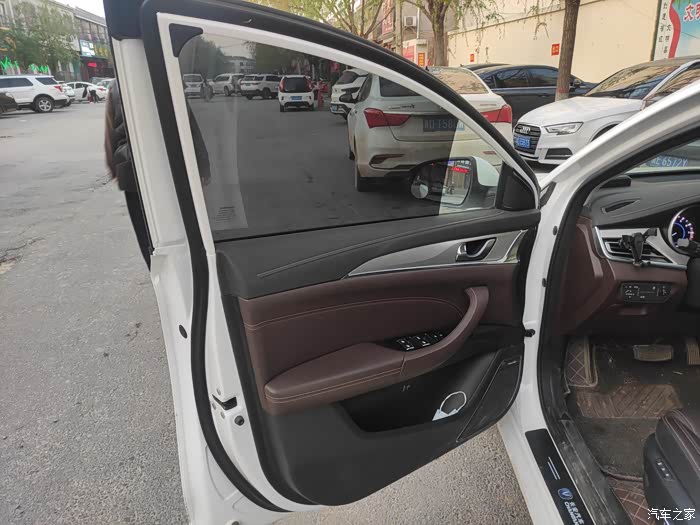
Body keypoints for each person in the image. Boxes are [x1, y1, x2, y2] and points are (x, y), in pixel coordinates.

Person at [104, 80, 211, 269]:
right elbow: (188, 125)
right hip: (169, 166)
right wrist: (203, 166)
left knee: (148, 237)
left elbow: (110, 131)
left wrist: (115, 167)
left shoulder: (117, 84)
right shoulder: (164, 74)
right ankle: (188, 274)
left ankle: (161, 277)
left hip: (131, 170)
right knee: (182, 227)